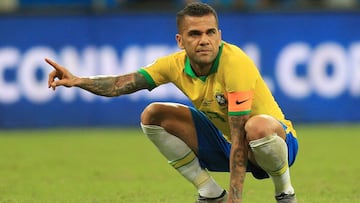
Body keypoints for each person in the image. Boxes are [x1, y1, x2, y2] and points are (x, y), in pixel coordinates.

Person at [46, 2, 298, 203]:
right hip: (228, 144)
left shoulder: (235, 63)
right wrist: (78, 80)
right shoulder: (173, 65)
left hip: (277, 143)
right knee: (152, 114)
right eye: (195, 34)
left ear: (219, 35)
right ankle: (209, 193)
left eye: (211, 32)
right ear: (180, 41)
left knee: (256, 128)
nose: (204, 40)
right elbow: (120, 84)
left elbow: (240, 135)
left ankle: (284, 193)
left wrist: (236, 198)